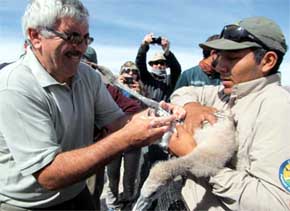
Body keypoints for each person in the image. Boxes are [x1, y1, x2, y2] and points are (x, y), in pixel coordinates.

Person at [0, 1, 184, 210]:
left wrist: (158, 118)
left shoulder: (87, 76)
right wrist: (125, 139)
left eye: (85, 38)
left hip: (78, 193)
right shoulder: (14, 86)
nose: (81, 47)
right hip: (28, 204)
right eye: (72, 37)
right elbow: (49, 175)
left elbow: (118, 122)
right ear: (35, 37)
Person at [169, 16, 290, 210]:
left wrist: (196, 158)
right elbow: (182, 92)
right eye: (220, 56)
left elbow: (276, 202)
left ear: (268, 61)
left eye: (232, 58)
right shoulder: (228, 93)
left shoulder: (278, 108)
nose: (219, 67)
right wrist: (192, 107)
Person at [135, 33, 181, 102]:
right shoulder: (146, 77)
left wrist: (167, 51)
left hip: (165, 111)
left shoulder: (170, 80)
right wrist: (144, 45)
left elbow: (176, 69)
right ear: (151, 65)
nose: (159, 65)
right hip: (147, 110)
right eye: (156, 63)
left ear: (166, 66)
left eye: (162, 63)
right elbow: (140, 63)